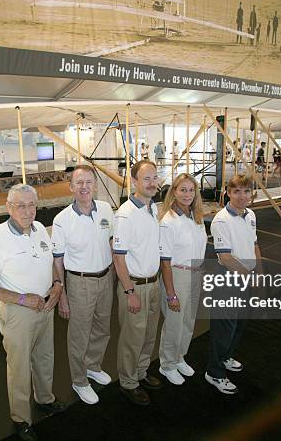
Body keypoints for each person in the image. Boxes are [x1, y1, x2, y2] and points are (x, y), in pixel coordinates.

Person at [0, 184, 65, 441]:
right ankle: (21, 419)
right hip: (18, 314)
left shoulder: (39, 231)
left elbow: (51, 265)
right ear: (9, 208)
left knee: (45, 358)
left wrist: (57, 286)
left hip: (45, 307)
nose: (28, 212)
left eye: (32, 205)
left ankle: (45, 399)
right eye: (21, 206)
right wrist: (23, 299)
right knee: (19, 367)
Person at [51, 165, 114, 405]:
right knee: (79, 335)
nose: (84, 187)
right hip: (79, 283)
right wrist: (62, 296)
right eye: (79, 183)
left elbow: (111, 242)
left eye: (88, 182)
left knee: (103, 328)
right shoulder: (62, 220)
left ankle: (92, 366)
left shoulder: (107, 209)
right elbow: (57, 260)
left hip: (105, 278)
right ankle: (79, 381)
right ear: (71, 187)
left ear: (95, 185)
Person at [206, 175, 262, 394]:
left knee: (238, 323)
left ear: (251, 194)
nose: (242, 196)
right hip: (229, 278)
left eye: (246, 191)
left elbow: (255, 244)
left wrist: (258, 272)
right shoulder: (221, 220)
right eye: (236, 191)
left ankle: (226, 357)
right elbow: (226, 258)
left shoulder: (251, 215)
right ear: (228, 193)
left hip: (246, 275)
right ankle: (214, 372)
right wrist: (247, 275)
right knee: (223, 327)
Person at [113, 160, 163, 406]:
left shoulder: (152, 208)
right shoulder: (125, 214)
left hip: (153, 284)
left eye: (155, 177)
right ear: (134, 182)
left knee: (148, 335)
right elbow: (118, 257)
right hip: (134, 286)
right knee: (132, 339)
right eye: (146, 179)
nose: (153, 182)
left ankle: (141, 372)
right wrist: (129, 290)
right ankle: (128, 382)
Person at [158, 174, 207, 385]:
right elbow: (165, 262)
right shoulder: (169, 221)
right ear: (174, 192)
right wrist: (171, 293)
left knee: (188, 321)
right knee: (174, 323)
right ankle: (166, 364)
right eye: (182, 190)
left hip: (195, 273)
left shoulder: (195, 217)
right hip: (177, 275)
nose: (187, 194)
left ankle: (179, 357)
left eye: (191, 190)